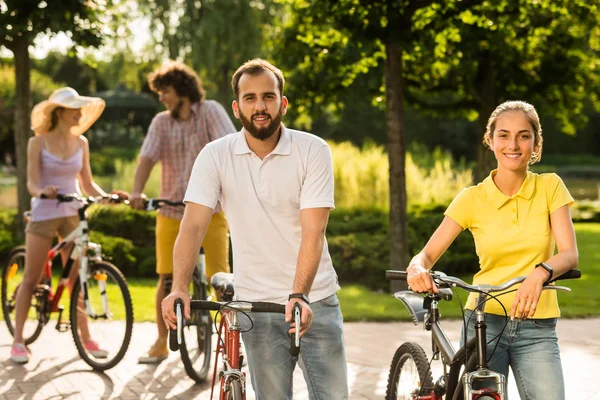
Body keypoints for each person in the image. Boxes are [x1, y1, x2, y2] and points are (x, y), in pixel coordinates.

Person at [161, 59, 348, 399]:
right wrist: (179, 288)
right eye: (250, 98)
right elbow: (192, 227)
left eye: (268, 96)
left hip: (314, 302)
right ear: (236, 107)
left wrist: (299, 295)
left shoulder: (313, 150)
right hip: (256, 308)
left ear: (283, 102)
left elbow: (313, 230)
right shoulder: (215, 156)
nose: (259, 106)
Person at [406, 100, 578, 400]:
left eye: (524, 135)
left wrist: (539, 274)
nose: (513, 144)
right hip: (484, 321)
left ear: (536, 143)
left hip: (537, 326)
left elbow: (569, 254)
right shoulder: (471, 198)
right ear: (490, 140)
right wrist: (417, 267)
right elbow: (427, 255)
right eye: (504, 135)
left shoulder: (551, 187)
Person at [129, 61, 235, 364]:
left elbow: (229, 146)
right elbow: (147, 158)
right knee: (166, 279)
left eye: (165, 90)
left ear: (182, 89)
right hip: (171, 210)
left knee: (220, 279)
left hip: (211, 209)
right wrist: (137, 191)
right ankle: (162, 342)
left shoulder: (210, 111)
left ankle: (228, 342)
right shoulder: (161, 122)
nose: (161, 97)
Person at [11, 87, 118, 364]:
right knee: (31, 277)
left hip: (73, 211)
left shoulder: (81, 142)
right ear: (59, 112)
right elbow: (31, 182)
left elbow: (87, 183)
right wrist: (42, 192)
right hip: (45, 212)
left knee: (76, 278)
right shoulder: (38, 142)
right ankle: (19, 340)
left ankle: (86, 337)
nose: (80, 114)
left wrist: (105, 196)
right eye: (74, 109)